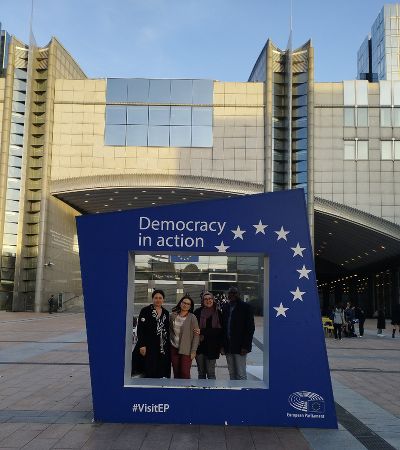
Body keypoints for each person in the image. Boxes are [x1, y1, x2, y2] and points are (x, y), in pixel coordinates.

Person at [133, 289, 170, 378]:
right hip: (147, 344)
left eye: (160, 298)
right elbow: (140, 329)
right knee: (148, 367)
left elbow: (167, 329)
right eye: (156, 298)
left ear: (163, 299)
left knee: (160, 369)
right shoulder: (145, 311)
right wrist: (142, 345)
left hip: (161, 346)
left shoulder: (166, 313)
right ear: (152, 299)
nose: (158, 300)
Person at [221, 286, 255, 380]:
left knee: (240, 373)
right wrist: (222, 346)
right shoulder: (225, 307)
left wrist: (246, 346)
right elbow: (223, 328)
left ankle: (242, 393)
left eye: (234, 293)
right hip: (228, 346)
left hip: (240, 347)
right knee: (232, 373)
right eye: (230, 293)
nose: (232, 295)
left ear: (239, 294)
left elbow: (250, 328)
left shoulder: (246, 307)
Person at [193, 291, 223, 380]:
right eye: (205, 299)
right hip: (199, 346)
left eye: (210, 299)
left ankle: (211, 393)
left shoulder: (218, 313)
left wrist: (202, 331)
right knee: (201, 373)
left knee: (211, 373)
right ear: (202, 301)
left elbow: (219, 331)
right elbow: (194, 328)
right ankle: (202, 393)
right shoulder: (197, 312)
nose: (208, 300)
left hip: (212, 347)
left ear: (213, 300)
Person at [170, 295, 199, 379]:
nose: (185, 305)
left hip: (187, 350)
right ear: (180, 303)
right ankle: (177, 390)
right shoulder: (173, 316)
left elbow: (196, 335)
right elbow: (170, 330)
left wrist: (193, 351)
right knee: (176, 371)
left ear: (190, 306)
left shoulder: (192, 318)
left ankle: (186, 391)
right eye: (184, 302)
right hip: (174, 348)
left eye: (188, 304)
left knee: (184, 373)